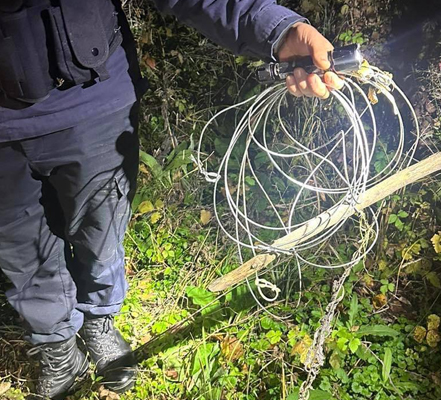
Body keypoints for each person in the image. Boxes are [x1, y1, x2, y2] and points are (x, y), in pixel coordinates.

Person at [0, 0, 343, 399]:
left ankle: (99, 321)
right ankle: (59, 349)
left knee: (100, 233)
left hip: (91, 103)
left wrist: (277, 30)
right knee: (18, 249)